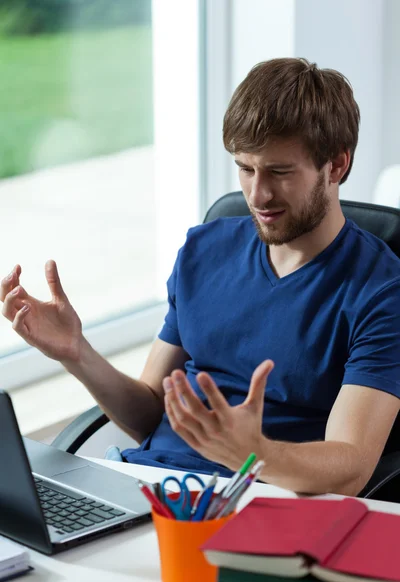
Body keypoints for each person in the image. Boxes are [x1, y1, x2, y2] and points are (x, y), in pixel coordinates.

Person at [2, 58, 400, 497]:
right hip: (142, 490)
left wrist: (251, 453)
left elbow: (353, 465)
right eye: (245, 169)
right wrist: (77, 353)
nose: (257, 194)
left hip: (257, 505)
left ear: (337, 166)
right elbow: (150, 415)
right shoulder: (203, 251)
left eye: (280, 172)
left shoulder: (381, 291)